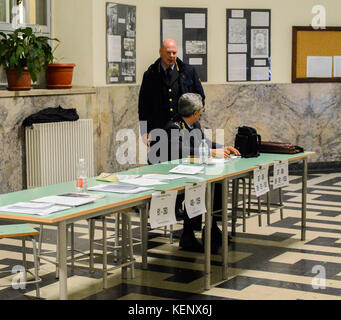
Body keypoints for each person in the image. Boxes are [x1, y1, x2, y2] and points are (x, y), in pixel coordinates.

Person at [164, 93, 241, 253]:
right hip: (174, 174)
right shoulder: (174, 126)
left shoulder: (195, 125)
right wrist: (211, 152)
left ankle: (212, 226)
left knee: (217, 184)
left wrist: (222, 148)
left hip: (193, 171)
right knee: (198, 189)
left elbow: (203, 142)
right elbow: (180, 151)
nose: (201, 114)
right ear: (195, 113)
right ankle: (188, 235)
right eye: (200, 111)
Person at [138, 38, 205, 150]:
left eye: (174, 53)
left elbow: (200, 98)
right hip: (159, 130)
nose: (171, 56)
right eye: (168, 52)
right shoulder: (150, 74)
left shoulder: (188, 71)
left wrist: (194, 120)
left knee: (187, 162)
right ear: (160, 52)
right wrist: (144, 131)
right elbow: (143, 106)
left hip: (183, 129)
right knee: (160, 163)